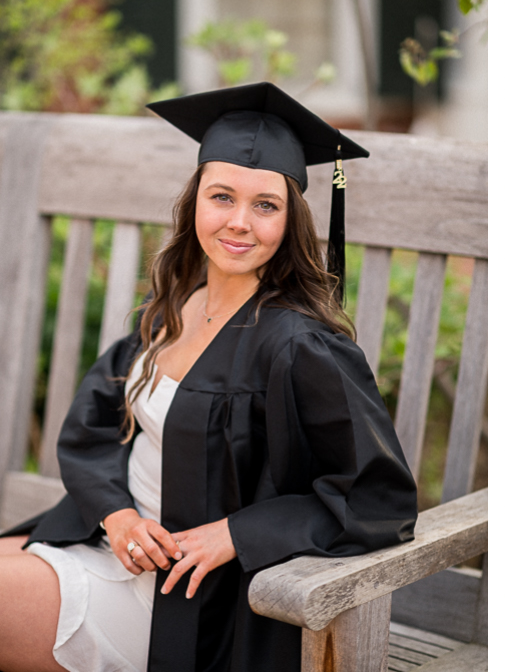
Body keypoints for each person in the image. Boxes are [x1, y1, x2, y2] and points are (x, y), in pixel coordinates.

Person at [0, 82, 418, 672]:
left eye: (265, 206)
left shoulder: (301, 346)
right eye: (222, 197)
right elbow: (95, 421)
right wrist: (116, 515)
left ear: (291, 219)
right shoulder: (177, 302)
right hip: (111, 539)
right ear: (194, 201)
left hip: (188, 600)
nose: (240, 223)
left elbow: (380, 497)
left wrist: (238, 534)